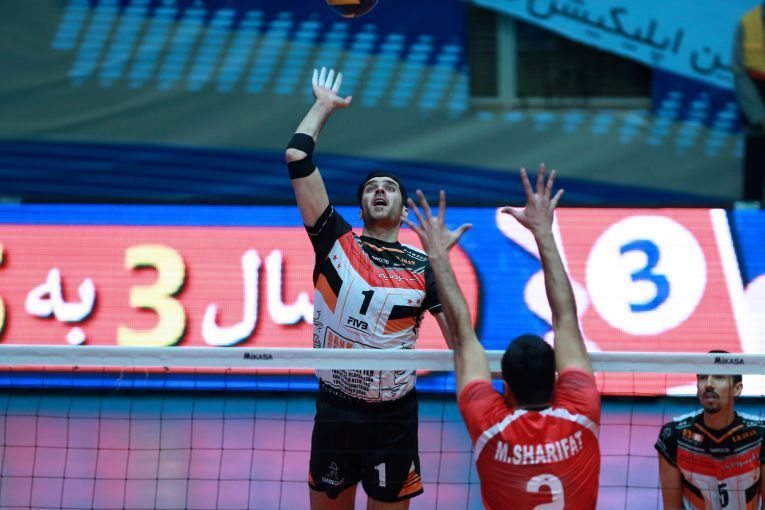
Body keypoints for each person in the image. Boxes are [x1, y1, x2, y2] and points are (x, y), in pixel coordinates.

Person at [285, 67, 467, 510]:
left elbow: (461, 343)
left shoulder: (423, 266)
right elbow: (297, 156)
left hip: (393, 419)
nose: (379, 191)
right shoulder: (335, 240)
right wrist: (323, 106)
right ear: (362, 205)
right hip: (336, 411)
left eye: (389, 188)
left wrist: (442, 262)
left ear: (403, 210)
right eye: (371, 188)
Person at [403, 166, 601, 510]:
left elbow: (464, 338)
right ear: (557, 381)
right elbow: (566, 318)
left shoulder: (490, 425)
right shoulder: (581, 411)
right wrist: (543, 232)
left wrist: (437, 255)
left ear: (505, 388)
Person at [655, 351, 765, 509]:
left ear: (737, 389)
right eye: (703, 377)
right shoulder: (674, 436)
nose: (708, 384)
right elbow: (671, 507)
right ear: (697, 388)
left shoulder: (760, 436)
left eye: (719, 377)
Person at [733, 2, 765, 205]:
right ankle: (749, 223)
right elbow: (740, 74)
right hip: (756, 116)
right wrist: (760, 116)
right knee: (753, 177)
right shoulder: (747, 23)